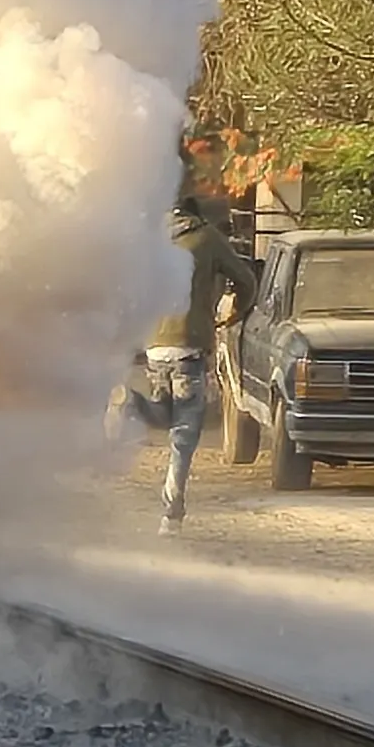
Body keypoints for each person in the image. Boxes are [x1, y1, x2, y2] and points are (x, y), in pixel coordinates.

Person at [112, 195, 258, 535]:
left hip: (155, 346)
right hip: (190, 345)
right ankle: (172, 515)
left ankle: (131, 403)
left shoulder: (149, 239)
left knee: (163, 412)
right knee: (185, 434)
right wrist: (235, 310)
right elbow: (246, 281)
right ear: (196, 212)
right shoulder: (207, 237)